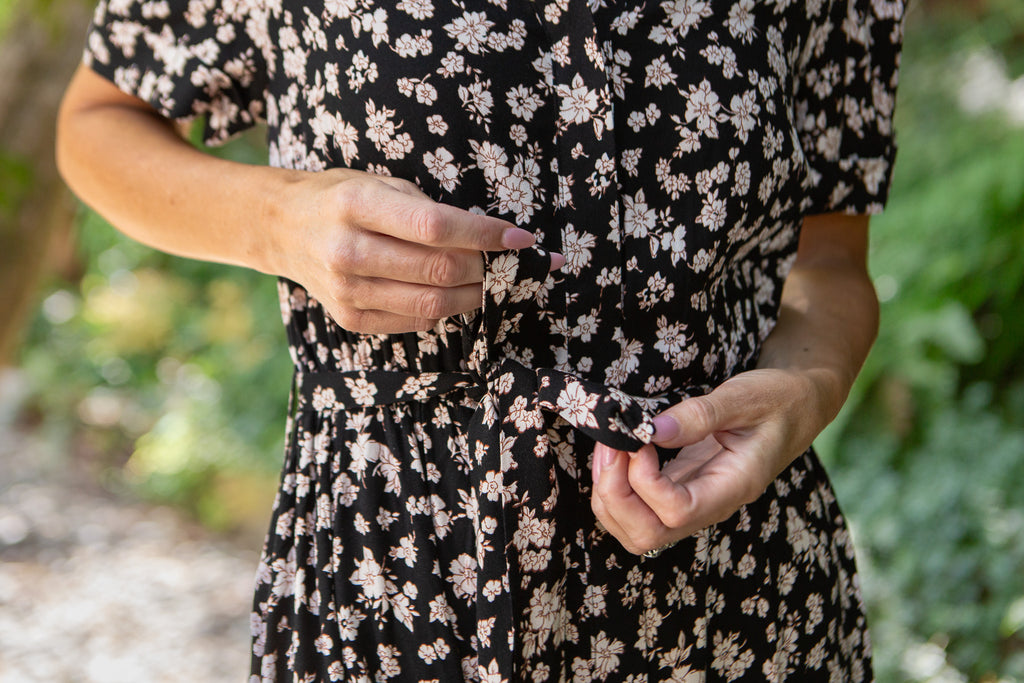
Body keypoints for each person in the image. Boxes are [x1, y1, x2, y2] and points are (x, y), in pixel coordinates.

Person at [56, 0, 904, 680]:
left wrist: (810, 386)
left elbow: (831, 259)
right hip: (388, 581)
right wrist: (279, 221)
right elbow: (97, 122)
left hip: (738, 594)